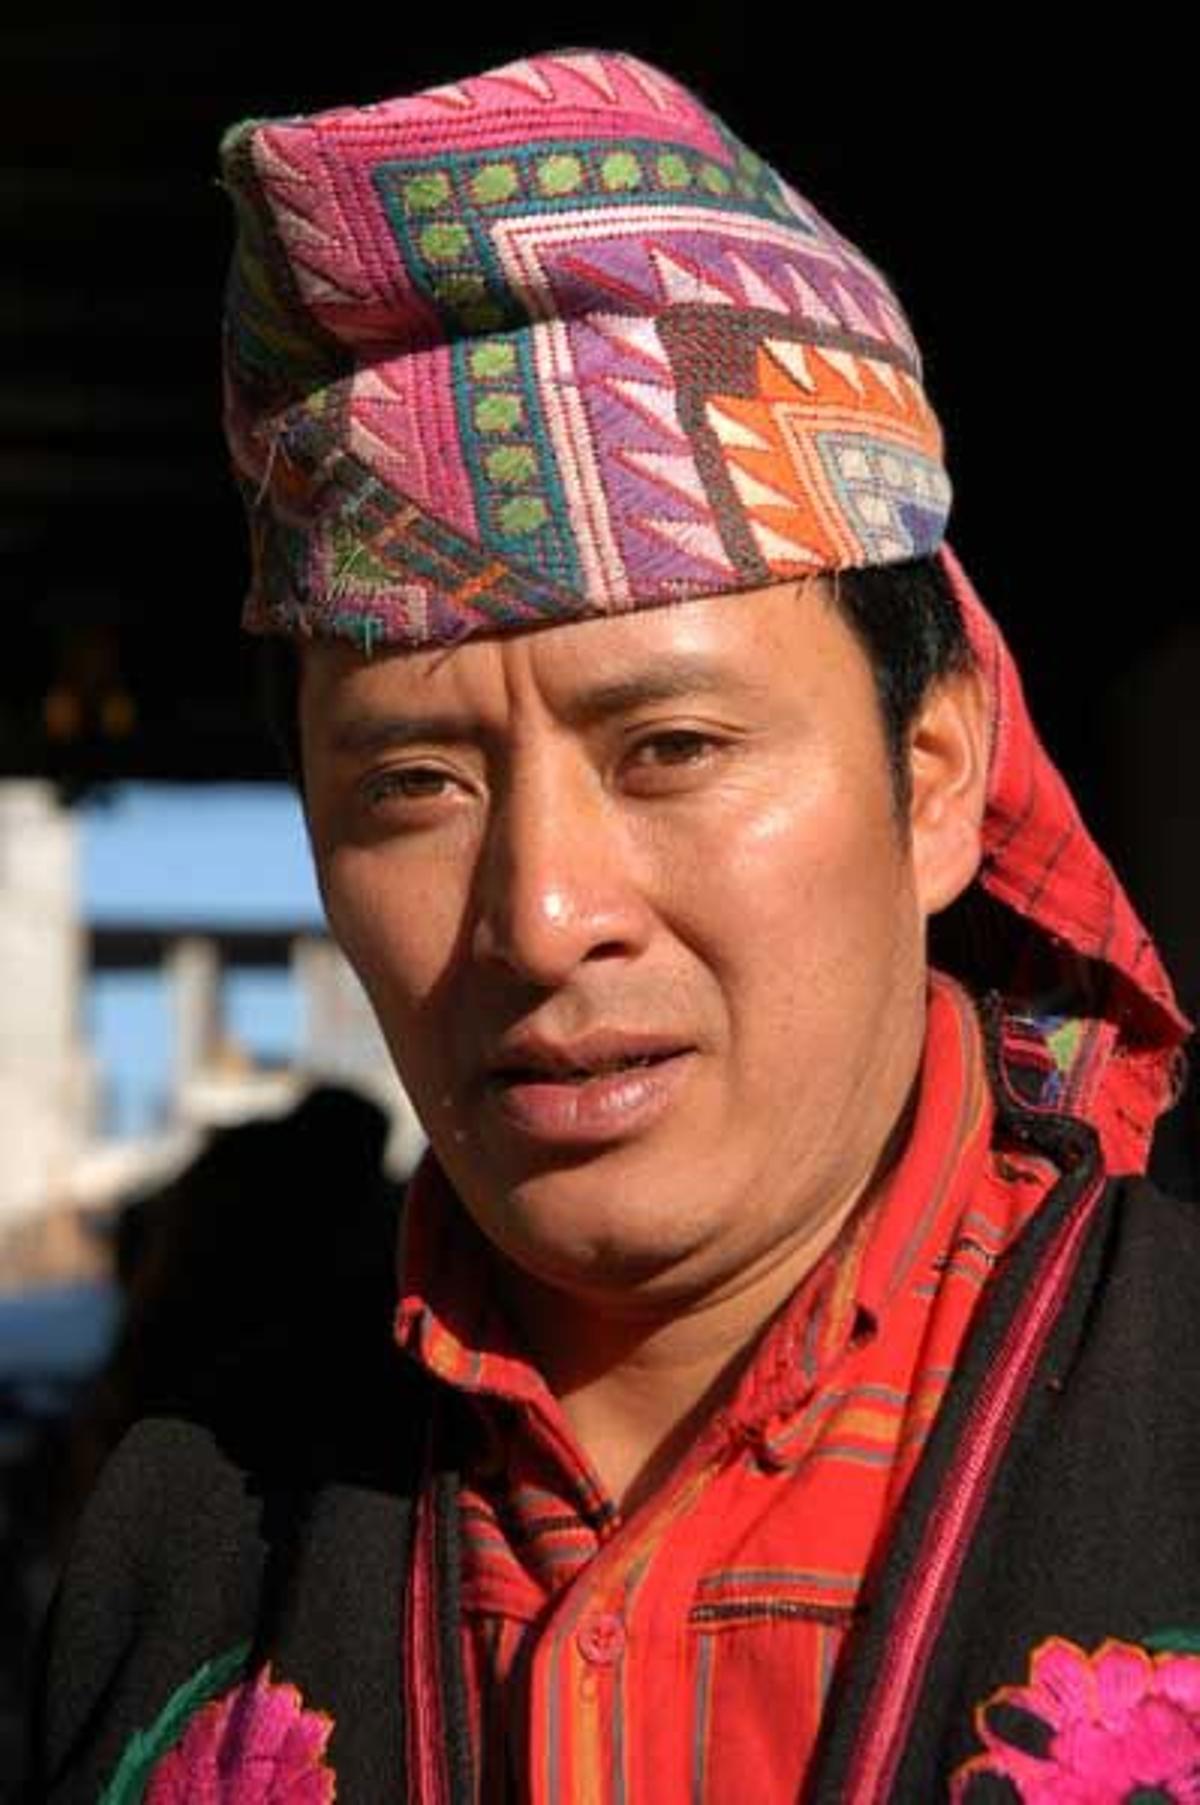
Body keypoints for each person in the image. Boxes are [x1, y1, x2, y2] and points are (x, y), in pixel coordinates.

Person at [27, 50, 1200, 1804]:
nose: (542, 916)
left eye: (671, 747)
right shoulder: (181, 1531)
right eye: (414, 784)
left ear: (938, 772)